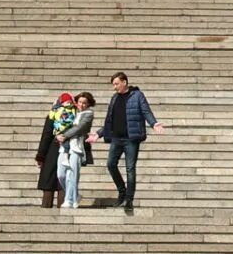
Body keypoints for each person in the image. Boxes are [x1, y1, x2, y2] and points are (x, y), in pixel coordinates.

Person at [101, 70, 160, 213]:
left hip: (131, 139)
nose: (114, 87)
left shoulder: (137, 95)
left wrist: (154, 123)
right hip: (116, 137)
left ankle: (129, 199)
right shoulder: (114, 98)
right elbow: (109, 119)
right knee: (110, 164)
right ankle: (122, 192)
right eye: (113, 84)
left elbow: (146, 111)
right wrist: (98, 134)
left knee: (130, 169)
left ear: (124, 82)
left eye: (116, 84)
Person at [55, 90, 95, 210]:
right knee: (61, 174)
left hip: (77, 147)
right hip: (64, 147)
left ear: (88, 104)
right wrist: (58, 134)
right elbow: (60, 121)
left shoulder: (88, 114)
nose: (81, 105)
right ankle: (75, 194)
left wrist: (64, 135)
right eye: (80, 102)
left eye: (84, 103)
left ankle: (69, 199)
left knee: (72, 174)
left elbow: (79, 128)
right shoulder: (71, 111)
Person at [35, 94, 72, 208]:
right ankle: (63, 210)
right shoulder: (74, 115)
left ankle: (46, 208)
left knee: (49, 180)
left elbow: (46, 135)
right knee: (64, 182)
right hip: (70, 150)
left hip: (53, 149)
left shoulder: (54, 114)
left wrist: (40, 156)